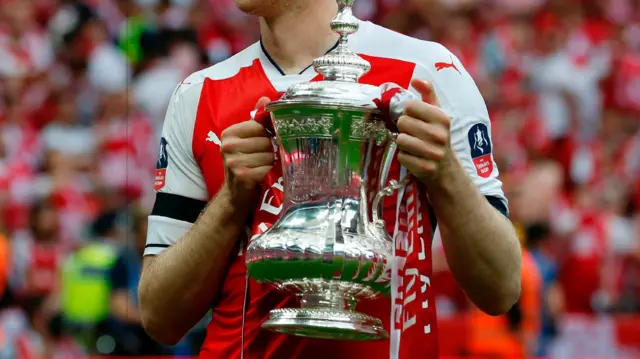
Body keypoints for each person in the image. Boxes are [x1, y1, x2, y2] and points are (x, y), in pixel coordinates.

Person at [138, 1, 522, 358]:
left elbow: (501, 289)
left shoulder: (428, 72)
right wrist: (230, 201)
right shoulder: (199, 93)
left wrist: (446, 175)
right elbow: (160, 318)